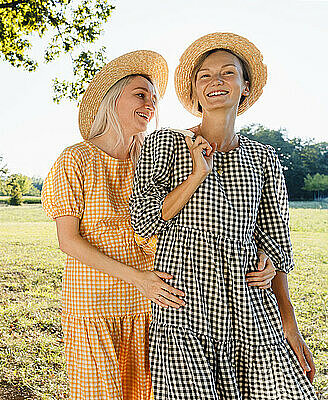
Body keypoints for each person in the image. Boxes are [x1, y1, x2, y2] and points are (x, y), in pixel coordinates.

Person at [41, 49, 277, 400]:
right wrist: (139, 279)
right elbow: (68, 241)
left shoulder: (153, 154)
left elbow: (213, 211)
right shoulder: (76, 158)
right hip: (96, 307)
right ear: (111, 99)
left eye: (154, 98)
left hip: (153, 304)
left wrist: (257, 251)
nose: (151, 103)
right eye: (140, 94)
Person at [130, 32, 317, 399]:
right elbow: (145, 221)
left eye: (228, 73)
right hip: (185, 309)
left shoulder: (263, 159)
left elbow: (275, 244)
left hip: (249, 309)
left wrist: (289, 324)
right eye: (205, 76)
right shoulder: (164, 143)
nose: (216, 81)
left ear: (245, 87)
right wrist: (197, 173)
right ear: (196, 93)